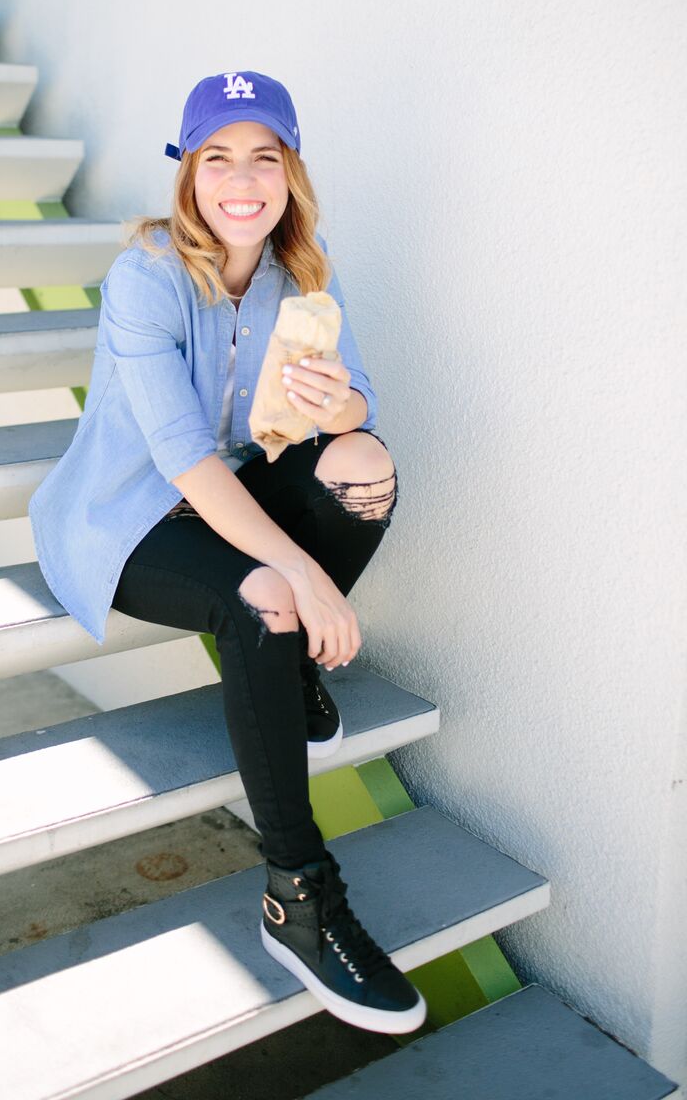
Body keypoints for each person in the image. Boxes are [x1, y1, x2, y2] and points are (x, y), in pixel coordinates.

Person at [28, 69, 426, 1034]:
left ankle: (283, 668)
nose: (241, 180)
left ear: (290, 172)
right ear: (188, 174)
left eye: (263, 157)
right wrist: (304, 575)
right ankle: (298, 897)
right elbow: (182, 459)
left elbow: (360, 400)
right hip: (132, 516)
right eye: (218, 158)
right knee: (267, 598)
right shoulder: (147, 275)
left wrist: (339, 405)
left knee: (364, 466)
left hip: (233, 498)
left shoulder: (304, 269)